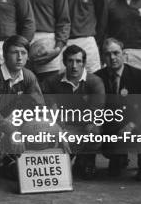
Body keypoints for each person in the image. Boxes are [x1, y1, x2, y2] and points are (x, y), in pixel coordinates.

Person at [95, 38, 141, 180]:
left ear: (124, 54)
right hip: (110, 127)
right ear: (103, 57)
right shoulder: (97, 77)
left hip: (135, 125)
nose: (112, 58)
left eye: (116, 53)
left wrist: (133, 124)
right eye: (107, 54)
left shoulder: (140, 76)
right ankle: (117, 158)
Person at [0, 35, 45, 180]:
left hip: (17, 121)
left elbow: (39, 107)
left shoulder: (29, 76)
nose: (19, 57)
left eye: (23, 53)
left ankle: (13, 161)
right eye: (14, 52)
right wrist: (12, 131)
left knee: (40, 129)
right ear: (5, 55)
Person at [42, 45, 105, 179]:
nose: (74, 66)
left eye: (78, 61)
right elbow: (49, 110)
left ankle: (87, 160)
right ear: (65, 62)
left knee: (93, 130)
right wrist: (60, 130)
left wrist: (71, 119)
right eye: (70, 61)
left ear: (84, 63)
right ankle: (67, 158)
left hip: (85, 126)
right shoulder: (52, 82)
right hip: (63, 126)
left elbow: (95, 112)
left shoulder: (95, 82)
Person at [19, 0, 70, 84]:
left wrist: (58, 48)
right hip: (23, 42)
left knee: (49, 86)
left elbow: (64, 21)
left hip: (47, 42)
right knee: (23, 86)